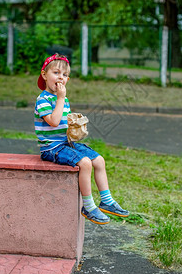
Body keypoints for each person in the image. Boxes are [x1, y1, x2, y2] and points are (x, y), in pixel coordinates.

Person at [34, 53, 129, 225]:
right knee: (85, 163)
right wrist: (61, 99)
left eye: (64, 75)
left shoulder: (64, 99)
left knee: (99, 160)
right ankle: (88, 206)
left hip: (66, 143)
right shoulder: (43, 100)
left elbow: (64, 123)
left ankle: (106, 201)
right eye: (56, 73)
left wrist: (76, 126)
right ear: (44, 75)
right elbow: (54, 122)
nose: (60, 77)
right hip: (51, 149)